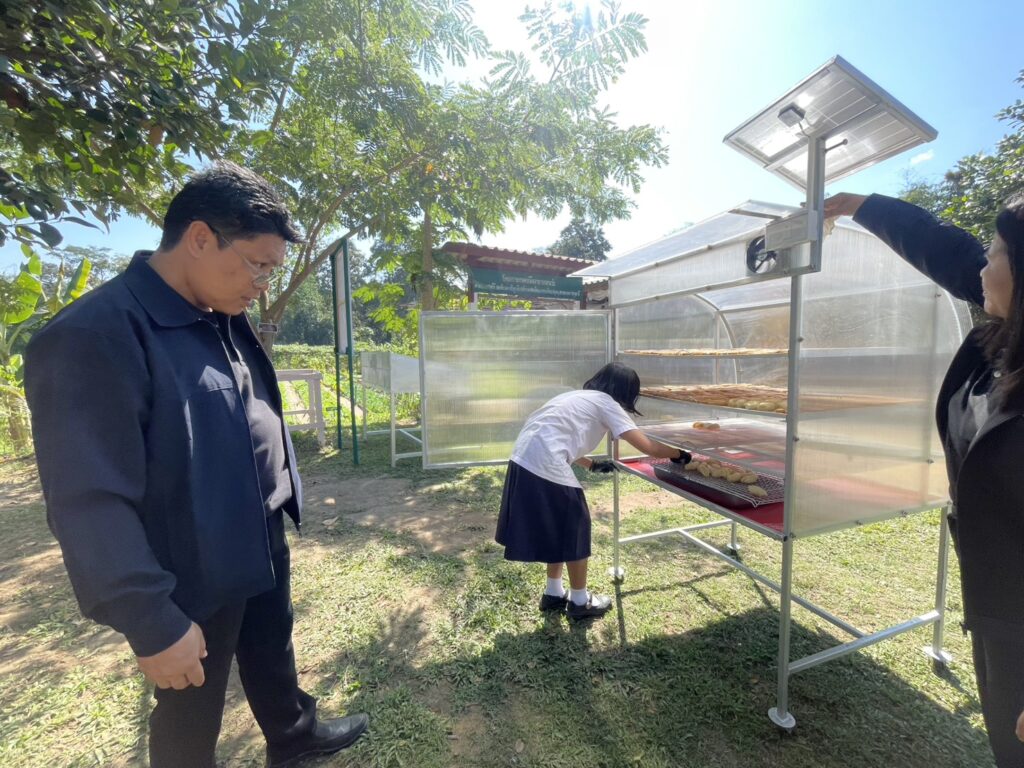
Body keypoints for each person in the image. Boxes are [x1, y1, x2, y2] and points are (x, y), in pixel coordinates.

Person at [24, 162, 368, 768]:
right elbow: (88, 499)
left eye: (272, 271)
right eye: (258, 265)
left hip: (258, 522)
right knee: (191, 696)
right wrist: (152, 621)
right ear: (202, 238)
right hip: (190, 550)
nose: (263, 284)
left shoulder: (219, 312)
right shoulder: (96, 335)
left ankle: (294, 734)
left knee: (271, 641)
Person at [824, 190, 1024, 768]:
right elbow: (949, 252)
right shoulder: (1003, 340)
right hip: (996, 599)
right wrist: (860, 204)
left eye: (997, 253)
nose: (983, 266)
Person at [495, 362, 691, 620]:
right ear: (627, 392)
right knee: (575, 527)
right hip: (545, 465)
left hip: (522, 460)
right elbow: (648, 447)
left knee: (559, 528)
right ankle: (579, 602)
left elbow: (557, 437)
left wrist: (592, 465)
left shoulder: (575, 397)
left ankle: (553, 593)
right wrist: (680, 454)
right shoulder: (607, 403)